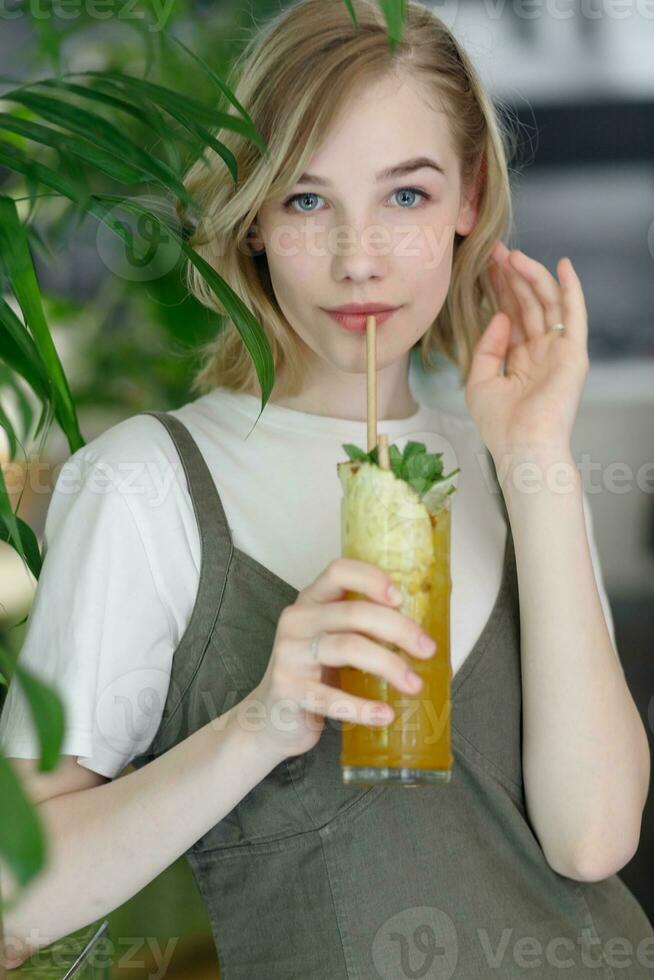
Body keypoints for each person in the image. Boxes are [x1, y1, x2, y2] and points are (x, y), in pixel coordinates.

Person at [1, 0, 652, 975]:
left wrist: (539, 461)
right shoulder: (146, 484)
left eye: (406, 196)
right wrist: (259, 722)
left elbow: (592, 841)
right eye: (307, 200)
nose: (359, 258)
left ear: (469, 197)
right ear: (254, 216)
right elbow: (17, 894)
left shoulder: (516, 463)